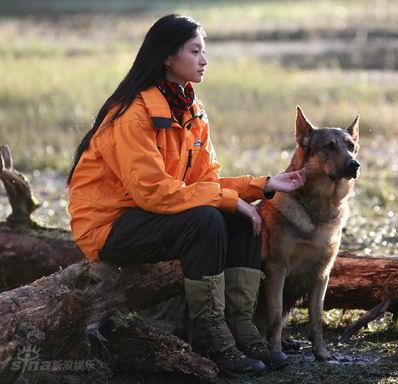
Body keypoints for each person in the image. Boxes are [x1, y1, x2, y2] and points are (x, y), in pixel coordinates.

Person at [66, 14, 305, 378]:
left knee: (236, 216)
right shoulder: (133, 114)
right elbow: (154, 194)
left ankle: (242, 328)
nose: (204, 60)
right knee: (207, 217)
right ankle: (212, 337)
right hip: (109, 227)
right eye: (194, 51)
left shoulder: (192, 110)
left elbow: (205, 181)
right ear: (167, 57)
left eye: (203, 52)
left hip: (155, 216)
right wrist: (227, 199)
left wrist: (263, 184)